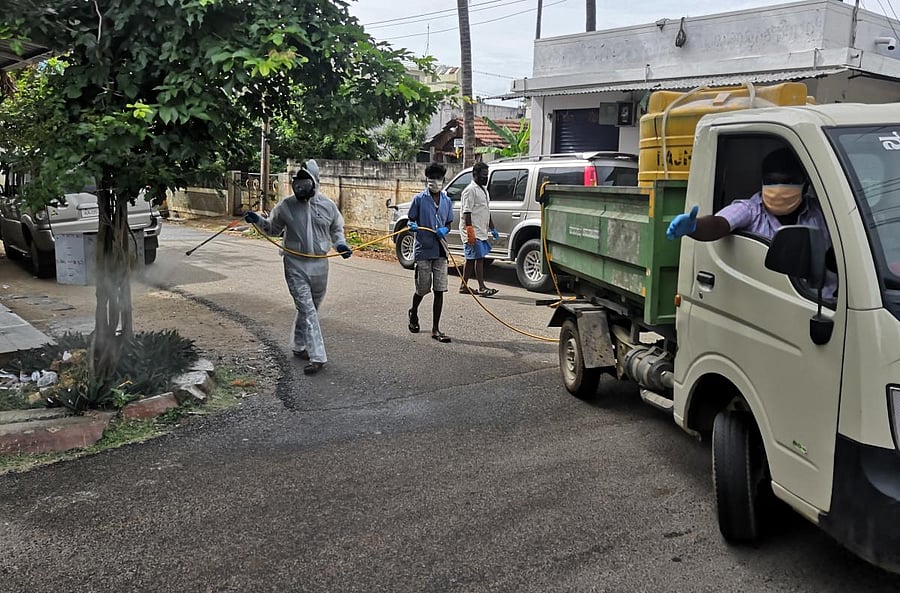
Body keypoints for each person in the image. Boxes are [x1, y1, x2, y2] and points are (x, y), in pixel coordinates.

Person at [667, 147, 837, 298]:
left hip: (824, 301)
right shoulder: (750, 210)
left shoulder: (821, 212)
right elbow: (720, 223)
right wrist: (695, 227)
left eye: (788, 181)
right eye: (771, 181)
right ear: (762, 182)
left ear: (805, 183)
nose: (779, 189)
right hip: (768, 301)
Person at [244, 160, 352, 374]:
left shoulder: (328, 206)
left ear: (315, 183)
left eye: (305, 184)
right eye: (298, 184)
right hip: (295, 264)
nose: (301, 189)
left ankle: (298, 345)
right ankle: (317, 356)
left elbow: (337, 229)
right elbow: (273, 229)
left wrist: (340, 244)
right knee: (307, 309)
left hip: (320, 264)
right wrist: (257, 219)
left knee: (311, 307)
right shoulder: (286, 206)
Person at [406, 162, 454, 343]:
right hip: (423, 250)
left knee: (439, 290)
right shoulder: (419, 199)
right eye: (432, 178)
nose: (435, 181)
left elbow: (449, 222)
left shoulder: (447, 201)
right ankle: (414, 311)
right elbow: (411, 219)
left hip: (440, 250)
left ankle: (436, 329)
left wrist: (445, 230)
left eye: (438, 178)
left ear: (443, 180)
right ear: (427, 180)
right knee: (423, 288)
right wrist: (413, 226)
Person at [458, 161, 500, 296]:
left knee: (471, 260)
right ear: (475, 175)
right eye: (483, 175)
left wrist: (492, 228)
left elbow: (486, 211)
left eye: (487, 175)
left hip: (481, 230)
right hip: (472, 231)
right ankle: (482, 287)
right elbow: (467, 213)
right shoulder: (470, 191)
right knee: (479, 258)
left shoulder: (484, 190)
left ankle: (463, 286)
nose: (486, 178)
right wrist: (470, 232)